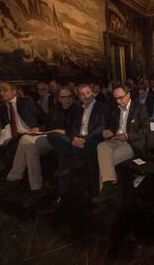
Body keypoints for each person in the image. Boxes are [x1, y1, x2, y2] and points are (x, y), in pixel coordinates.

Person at [0, 87, 79, 207]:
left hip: (64, 139)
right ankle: (36, 188)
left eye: (70, 97)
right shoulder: (55, 109)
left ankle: (14, 177)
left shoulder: (77, 109)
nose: (67, 100)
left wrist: (62, 131)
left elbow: (76, 129)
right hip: (49, 136)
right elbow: (47, 124)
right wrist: (39, 129)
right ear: (58, 98)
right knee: (29, 146)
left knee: (25, 139)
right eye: (64, 97)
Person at [42, 84, 109, 214]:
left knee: (62, 154)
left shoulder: (102, 107)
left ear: (93, 93)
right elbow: (71, 127)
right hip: (77, 140)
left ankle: (62, 189)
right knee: (53, 135)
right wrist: (74, 138)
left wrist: (84, 139)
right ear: (78, 96)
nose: (85, 96)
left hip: (92, 140)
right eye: (81, 94)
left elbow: (101, 128)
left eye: (88, 93)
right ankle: (73, 158)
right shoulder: (77, 109)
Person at [92, 84, 149, 203]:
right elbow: (113, 128)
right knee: (101, 146)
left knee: (105, 160)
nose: (118, 101)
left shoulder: (140, 108)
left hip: (131, 143)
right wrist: (108, 132)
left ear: (128, 95)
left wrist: (128, 135)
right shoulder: (115, 109)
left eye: (121, 98)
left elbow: (145, 130)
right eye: (116, 99)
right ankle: (109, 187)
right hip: (115, 139)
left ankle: (106, 194)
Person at [0, 82, 45, 177]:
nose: (1, 93)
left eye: (5, 90)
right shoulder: (2, 108)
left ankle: (16, 179)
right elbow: (6, 127)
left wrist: (39, 128)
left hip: (30, 134)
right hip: (15, 135)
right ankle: (6, 176)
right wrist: (4, 138)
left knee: (10, 152)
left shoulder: (26, 102)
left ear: (14, 91)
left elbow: (45, 118)